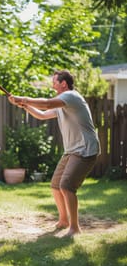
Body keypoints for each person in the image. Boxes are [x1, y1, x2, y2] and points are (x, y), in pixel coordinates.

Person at [8, 70, 100, 237]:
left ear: (64, 84)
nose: (52, 86)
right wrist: (25, 105)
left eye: (55, 83)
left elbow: (48, 104)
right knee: (56, 186)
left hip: (85, 150)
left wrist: (24, 98)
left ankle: (74, 227)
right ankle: (63, 220)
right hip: (72, 150)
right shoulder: (62, 104)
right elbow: (42, 115)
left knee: (66, 186)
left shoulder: (72, 96)